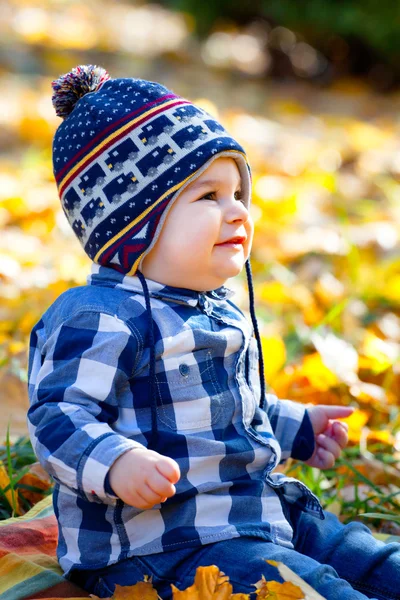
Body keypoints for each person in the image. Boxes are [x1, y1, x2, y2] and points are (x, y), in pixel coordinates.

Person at [27, 65, 400, 600]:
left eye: (238, 193)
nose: (238, 212)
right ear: (136, 224)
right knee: (308, 586)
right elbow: (57, 417)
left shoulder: (213, 307)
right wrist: (115, 462)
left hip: (258, 511)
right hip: (165, 545)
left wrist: (298, 425)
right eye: (209, 197)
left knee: (363, 555)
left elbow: (228, 410)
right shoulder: (100, 316)